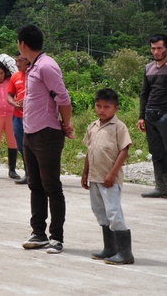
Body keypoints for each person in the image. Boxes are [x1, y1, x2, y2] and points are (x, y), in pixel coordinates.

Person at [17, 24, 73, 254]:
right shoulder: (32, 67)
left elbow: (64, 99)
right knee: (35, 185)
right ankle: (38, 233)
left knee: (52, 186)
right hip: (30, 134)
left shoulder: (47, 66)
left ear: (22, 44)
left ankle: (56, 237)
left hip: (47, 134)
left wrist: (66, 124)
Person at [81, 88, 134, 265]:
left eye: (107, 107)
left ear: (116, 109)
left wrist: (112, 173)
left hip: (110, 179)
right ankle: (110, 248)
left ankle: (125, 253)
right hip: (95, 177)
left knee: (113, 212)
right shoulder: (92, 126)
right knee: (100, 211)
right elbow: (89, 151)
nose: (102, 110)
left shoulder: (119, 127)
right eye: (98, 106)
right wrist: (85, 172)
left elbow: (124, 150)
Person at [137, 33, 167, 198]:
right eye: (153, 48)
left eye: (159, 48)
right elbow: (144, 93)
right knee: (157, 153)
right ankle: (161, 188)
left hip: (165, 115)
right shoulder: (148, 68)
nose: (156, 51)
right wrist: (141, 116)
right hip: (150, 115)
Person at [7, 54, 30, 184]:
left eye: (19, 61)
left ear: (27, 60)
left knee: (32, 145)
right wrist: (13, 103)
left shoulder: (34, 74)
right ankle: (28, 174)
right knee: (21, 145)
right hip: (17, 116)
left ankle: (36, 175)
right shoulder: (15, 77)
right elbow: (9, 95)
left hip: (32, 117)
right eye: (16, 61)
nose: (17, 64)